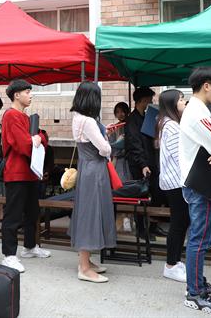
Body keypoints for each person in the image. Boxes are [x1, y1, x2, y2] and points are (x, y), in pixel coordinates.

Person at [179, 66, 211, 315]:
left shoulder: (199, 110)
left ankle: (198, 283)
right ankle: (195, 293)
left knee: (203, 239)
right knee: (199, 240)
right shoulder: (198, 112)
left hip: (204, 184)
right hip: (201, 186)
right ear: (206, 85)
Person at [0, 79, 50, 273]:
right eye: (27, 92)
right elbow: (24, 144)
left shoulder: (24, 116)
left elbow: (42, 137)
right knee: (13, 215)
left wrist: (38, 138)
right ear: (16, 95)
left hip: (30, 172)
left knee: (32, 212)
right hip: (16, 172)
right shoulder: (11, 115)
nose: (31, 95)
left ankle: (30, 247)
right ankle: (9, 255)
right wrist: (36, 139)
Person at [69, 81, 115, 283]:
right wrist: (106, 140)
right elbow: (104, 149)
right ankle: (85, 268)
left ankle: (85, 262)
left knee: (86, 212)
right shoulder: (88, 121)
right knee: (91, 214)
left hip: (86, 167)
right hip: (95, 170)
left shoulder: (77, 117)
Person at [157, 89, 189, 283]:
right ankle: (171, 265)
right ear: (171, 104)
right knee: (179, 223)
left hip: (173, 181)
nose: (185, 102)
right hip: (176, 181)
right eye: (181, 99)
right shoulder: (171, 126)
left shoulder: (167, 123)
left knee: (181, 222)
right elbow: (180, 157)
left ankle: (175, 262)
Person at [125, 86, 163, 239]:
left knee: (158, 193)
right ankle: (141, 229)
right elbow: (135, 144)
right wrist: (143, 165)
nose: (151, 102)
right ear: (142, 100)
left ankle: (153, 226)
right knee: (141, 197)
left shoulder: (147, 117)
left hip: (151, 161)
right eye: (149, 100)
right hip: (139, 165)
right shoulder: (132, 120)